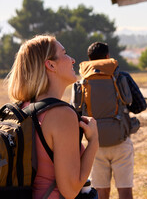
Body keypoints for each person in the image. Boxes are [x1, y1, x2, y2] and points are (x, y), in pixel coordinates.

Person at [6, 35, 99, 199]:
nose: (72, 60)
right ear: (50, 64)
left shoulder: (21, 108)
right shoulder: (61, 114)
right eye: (64, 54)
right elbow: (70, 190)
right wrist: (94, 142)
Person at [71, 42, 146, 199]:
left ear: (89, 60)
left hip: (94, 144)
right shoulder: (122, 76)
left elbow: (75, 114)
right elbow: (140, 106)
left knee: (100, 192)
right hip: (121, 140)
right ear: (107, 57)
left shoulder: (82, 82)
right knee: (125, 190)